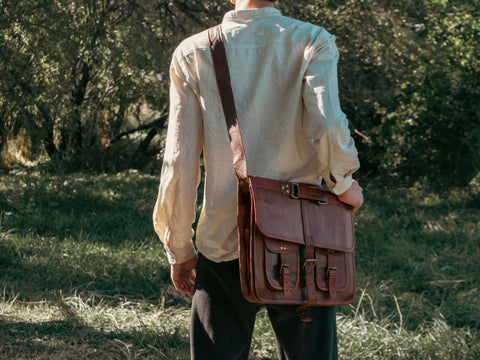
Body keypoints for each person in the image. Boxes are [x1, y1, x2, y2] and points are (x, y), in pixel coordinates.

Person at [153, 0, 364, 358]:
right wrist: (344, 183)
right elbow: (327, 123)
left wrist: (180, 247)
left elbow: (179, 160)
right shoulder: (313, 40)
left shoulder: (193, 52)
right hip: (304, 242)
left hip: (224, 236)